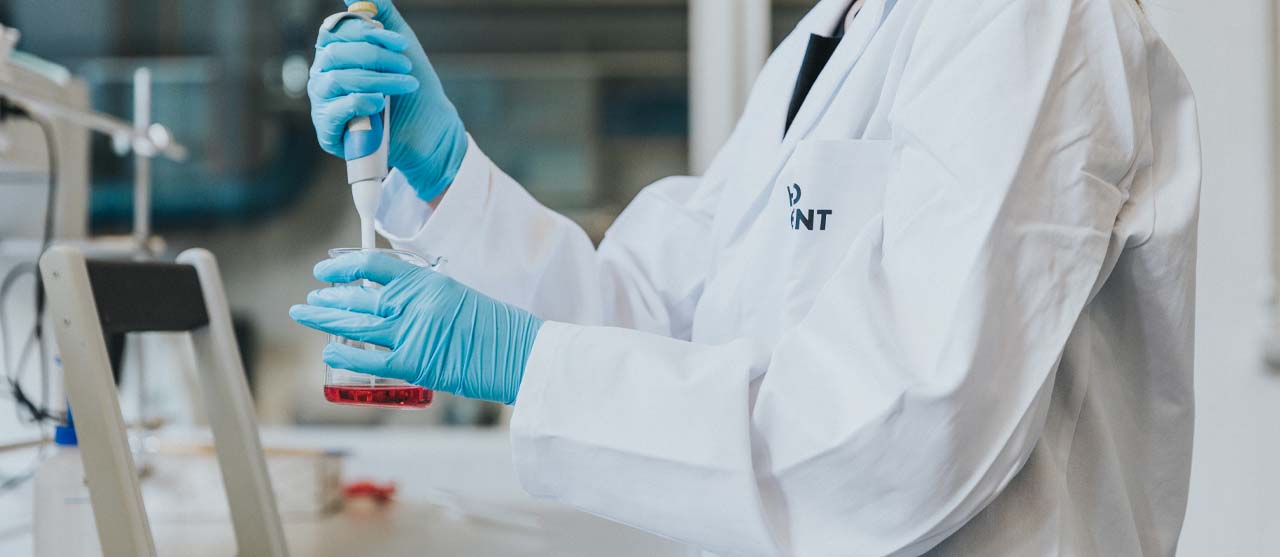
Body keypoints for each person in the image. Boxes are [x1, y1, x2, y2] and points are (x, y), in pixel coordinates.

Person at [292, 0, 1201, 554]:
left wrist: (529, 363)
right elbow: (659, 317)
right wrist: (448, 179)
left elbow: (910, 431)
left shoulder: (1025, 19)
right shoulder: (838, 32)